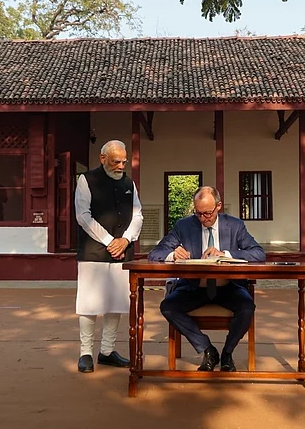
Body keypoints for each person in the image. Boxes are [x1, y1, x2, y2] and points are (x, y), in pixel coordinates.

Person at [147, 186, 265, 372]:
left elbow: (258, 253)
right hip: (195, 287)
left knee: (247, 307)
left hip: (228, 287)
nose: (203, 218)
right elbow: (155, 254)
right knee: (168, 307)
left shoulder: (235, 226)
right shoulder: (184, 226)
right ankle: (208, 350)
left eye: (208, 213)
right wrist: (173, 255)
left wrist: (225, 254)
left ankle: (227, 352)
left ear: (219, 206)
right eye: (199, 213)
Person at [74, 140, 143, 373]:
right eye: (116, 162)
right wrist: (109, 241)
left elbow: (138, 215)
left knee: (117, 302)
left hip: (122, 251)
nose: (121, 166)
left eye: (124, 161)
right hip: (94, 251)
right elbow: (83, 216)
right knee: (89, 303)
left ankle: (107, 351)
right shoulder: (86, 180)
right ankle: (85, 353)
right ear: (103, 159)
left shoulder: (129, 183)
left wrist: (126, 240)